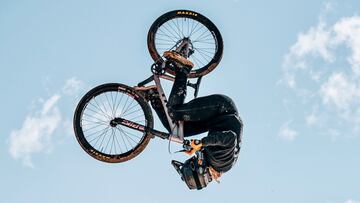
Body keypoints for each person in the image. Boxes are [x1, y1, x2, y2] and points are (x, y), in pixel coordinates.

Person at [148, 51, 243, 190]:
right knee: (175, 112)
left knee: (176, 130)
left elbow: (213, 144)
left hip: (214, 120)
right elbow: (230, 138)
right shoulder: (220, 163)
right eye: (193, 161)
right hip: (222, 109)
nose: (195, 157)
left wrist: (195, 146)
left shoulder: (214, 162)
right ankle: (183, 69)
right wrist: (201, 143)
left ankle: (153, 96)